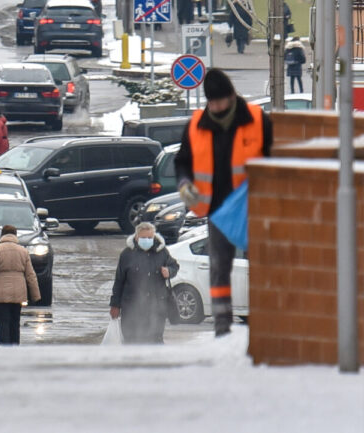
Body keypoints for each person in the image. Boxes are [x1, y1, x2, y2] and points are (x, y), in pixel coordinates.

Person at [175, 69, 272, 336]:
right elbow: (182, 162)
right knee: (219, 269)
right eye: (211, 102)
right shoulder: (196, 125)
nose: (216, 107)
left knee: (262, 267)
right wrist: (184, 185)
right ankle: (222, 328)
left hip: (252, 208)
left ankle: (265, 323)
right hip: (217, 212)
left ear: (231, 96)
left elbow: (274, 156)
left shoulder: (256, 120)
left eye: (220, 101)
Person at [108, 221, 179, 344]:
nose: (147, 240)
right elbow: (119, 281)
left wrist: (169, 271)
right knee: (132, 341)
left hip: (156, 307)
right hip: (132, 308)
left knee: (155, 341)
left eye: (149, 237)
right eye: (143, 238)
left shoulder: (161, 252)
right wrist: (115, 305)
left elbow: (174, 266)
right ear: (136, 237)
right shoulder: (127, 255)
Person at [0, 224, 41, 345]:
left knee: (3, 322)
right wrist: (35, 295)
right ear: (15, 235)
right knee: (15, 321)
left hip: (0, 293)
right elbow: (31, 275)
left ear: (2, 235)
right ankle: (15, 346)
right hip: (18, 292)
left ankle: (5, 346)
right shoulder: (23, 251)